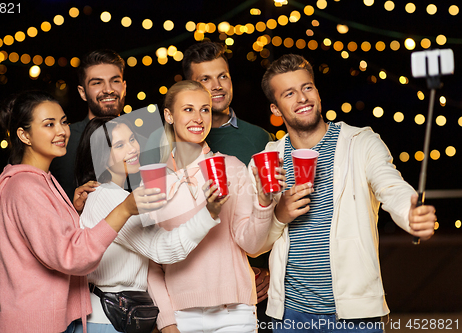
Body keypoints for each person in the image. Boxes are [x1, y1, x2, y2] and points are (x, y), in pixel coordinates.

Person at [248, 54, 437, 332]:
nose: (302, 98)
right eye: (289, 93)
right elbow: (255, 245)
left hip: (355, 316)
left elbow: (391, 186)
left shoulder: (361, 143)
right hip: (290, 315)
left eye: (307, 87)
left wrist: (410, 213)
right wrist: (278, 214)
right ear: (276, 109)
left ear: (318, 93)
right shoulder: (267, 159)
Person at [0, 91, 165, 333]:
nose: (61, 131)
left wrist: (71, 211)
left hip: (48, 321)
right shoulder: (25, 186)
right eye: (49, 124)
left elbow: (51, 239)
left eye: (64, 122)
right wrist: (125, 209)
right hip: (33, 324)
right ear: (24, 135)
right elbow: (72, 255)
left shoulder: (42, 181)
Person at [146, 80, 285, 333]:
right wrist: (166, 321)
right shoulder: (153, 179)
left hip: (235, 312)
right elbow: (151, 263)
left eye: (205, 109)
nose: (198, 118)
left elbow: (252, 246)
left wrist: (264, 203)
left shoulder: (230, 167)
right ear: (168, 115)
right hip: (180, 314)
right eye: (188, 109)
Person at [71, 114, 223, 333]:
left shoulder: (116, 195)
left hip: (121, 316)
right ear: (102, 156)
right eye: (120, 145)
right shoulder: (106, 196)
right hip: (107, 320)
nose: (133, 149)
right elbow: (163, 249)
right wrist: (208, 213)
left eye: (132, 139)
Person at [50, 49, 126, 201]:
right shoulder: (64, 140)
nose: (108, 89)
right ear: (82, 92)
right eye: (97, 83)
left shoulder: (141, 137)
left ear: (124, 87)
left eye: (115, 81)